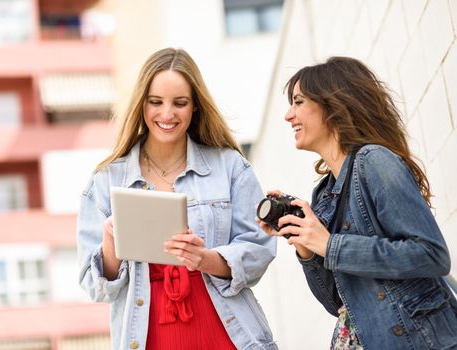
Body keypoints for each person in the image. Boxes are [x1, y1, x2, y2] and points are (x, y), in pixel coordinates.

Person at [77, 47, 278, 350]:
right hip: (150, 336)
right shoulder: (106, 180)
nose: (167, 114)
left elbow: (259, 249)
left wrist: (206, 259)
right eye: (155, 102)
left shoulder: (230, 167)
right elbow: (96, 288)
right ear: (141, 105)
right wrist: (110, 244)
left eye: (180, 103)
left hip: (227, 332)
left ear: (195, 105)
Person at [257, 56, 457, 349]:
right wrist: (305, 246)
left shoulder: (374, 161)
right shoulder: (324, 196)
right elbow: (339, 304)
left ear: (332, 104)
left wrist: (330, 245)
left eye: (298, 102)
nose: (288, 115)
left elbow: (431, 255)